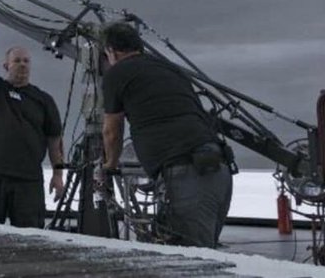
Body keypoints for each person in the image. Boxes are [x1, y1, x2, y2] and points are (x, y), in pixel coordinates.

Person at [100, 21, 233, 248]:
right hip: (217, 169)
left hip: (187, 174)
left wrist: (109, 165)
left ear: (111, 51)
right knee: (205, 252)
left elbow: (112, 130)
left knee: (191, 258)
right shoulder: (169, 68)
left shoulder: (117, 73)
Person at [0, 5, 65, 227]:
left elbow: (55, 141)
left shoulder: (43, 100)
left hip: (28, 179)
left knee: (32, 234)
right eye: (17, 61)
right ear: (6, 65)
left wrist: (58, 176)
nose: (22, 65)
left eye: (26, 61)